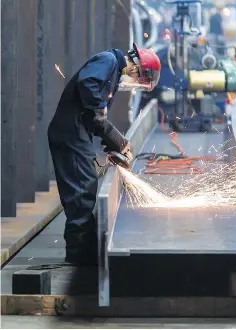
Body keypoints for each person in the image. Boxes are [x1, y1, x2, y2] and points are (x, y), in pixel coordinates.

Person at [48, 43, 161, 266]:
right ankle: (78, 255)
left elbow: (96, 120)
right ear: (137, 68)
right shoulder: (108, 61)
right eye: (140, 80)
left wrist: (118, 142)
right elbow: (87, 84)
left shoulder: (112, 75)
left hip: (76, 132)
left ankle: (85, 248)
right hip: (69, 132)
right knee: (83, 188)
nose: (135, 84)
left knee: (85, 185)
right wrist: (100, 108)